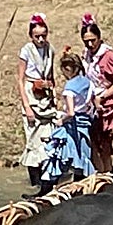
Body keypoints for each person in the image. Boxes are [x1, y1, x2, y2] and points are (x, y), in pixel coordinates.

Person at [80, 13, 113, 173]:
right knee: (92, 140)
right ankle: (98, 173)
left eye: (93, 40)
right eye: (86, 41)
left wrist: (104, 96)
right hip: (90, 102)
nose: (90, 44)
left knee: (105, 142)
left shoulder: (107, 55)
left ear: (99, 38)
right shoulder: (86, 55)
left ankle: (107, 172)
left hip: (104, 101)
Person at [41, 52, 95, 185]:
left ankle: (50, 189)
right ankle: (82, 186)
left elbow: (71, 113)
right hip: (84, 123)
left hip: (72, 126)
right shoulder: (87, 82)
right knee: (82, 156)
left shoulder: (70, 87)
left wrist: (61, 120)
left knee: (61, 157)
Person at [16, 13, 55, 190]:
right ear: (30, 35)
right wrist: (27, 106)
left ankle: (47, 180)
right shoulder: (26, 51)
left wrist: (53, 94)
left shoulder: (50, 50)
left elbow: (52, 75)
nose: (40, 39)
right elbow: (20, 79)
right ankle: (35, 182)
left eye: (43, 36)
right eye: (37, 36)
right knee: (33, 139)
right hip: (31, 95)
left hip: (46, 96)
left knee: (47, 138)